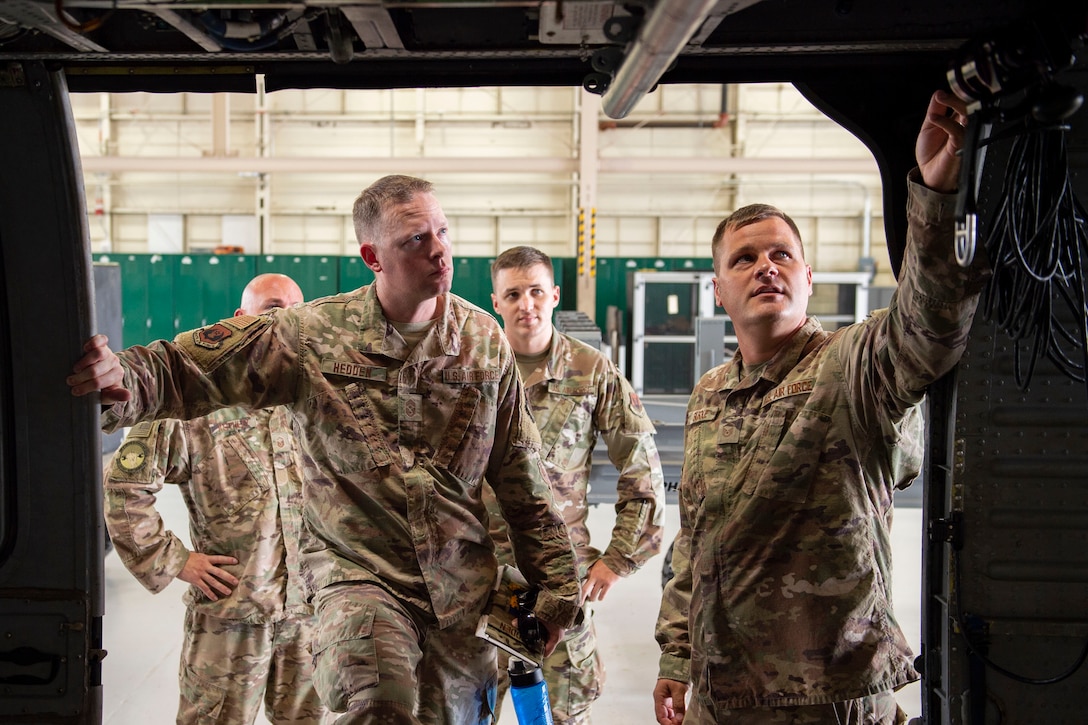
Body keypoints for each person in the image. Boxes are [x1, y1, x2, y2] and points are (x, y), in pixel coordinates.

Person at [71, 175, 582, 724]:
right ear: (373, 256)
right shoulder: (312, 335)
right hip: (357, 579)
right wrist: (119, 375)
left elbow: (521, 480)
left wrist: (557, 590)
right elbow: (191, 364)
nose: (439, 250)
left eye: (443, 231)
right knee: (376, 704)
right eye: (415, 239)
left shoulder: (483, 342)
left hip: (461, 592)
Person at [653, 89, 990, 725]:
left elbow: (930, 322)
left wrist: (936, 193)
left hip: (830, 696)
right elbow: (693, 541)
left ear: (808, 278)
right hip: (723, 694)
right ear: (718, 290)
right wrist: (676, 655)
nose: (766, 267)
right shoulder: (709, 395)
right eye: (744, 259)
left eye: (782, 254)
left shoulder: (851, 365)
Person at [103, 273, 328, 724]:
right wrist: (174, 560)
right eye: (271, 307)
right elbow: (125, 487)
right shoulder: (197, 401)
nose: (284, 318)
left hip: (310, 616)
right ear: (241, 320)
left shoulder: (316, 399)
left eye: (295, 308)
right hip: (231, 618)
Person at [485, 246, 666, 724]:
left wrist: (618, 558)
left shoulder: (590, 370)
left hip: (561, 583)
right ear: (495, 302)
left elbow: (642, 465)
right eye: (514, 294)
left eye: (537, 291)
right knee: (465, 706)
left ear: (555, 296)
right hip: (479, 575)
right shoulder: (474, 369)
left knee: (563, 710)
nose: (527, 304)